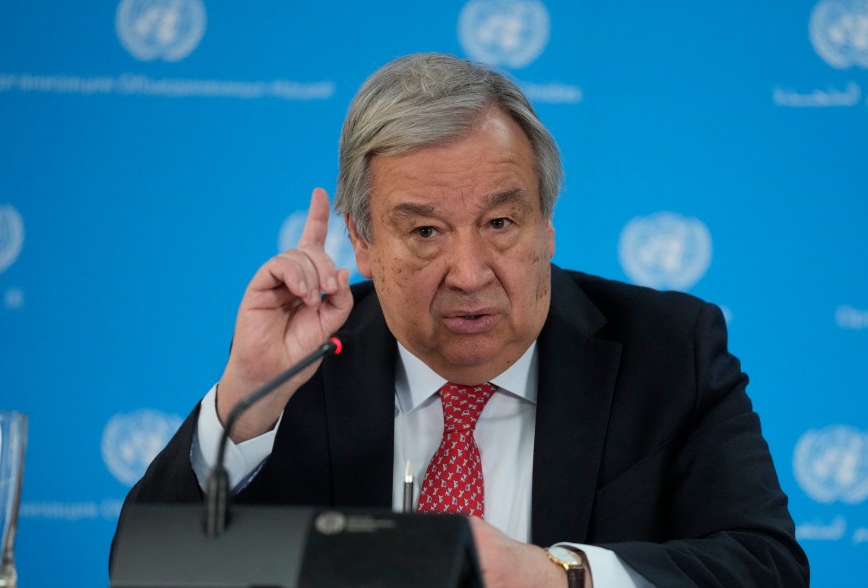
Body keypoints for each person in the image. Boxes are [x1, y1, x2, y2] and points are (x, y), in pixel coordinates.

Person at [115, 53, 809, 587]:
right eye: (424, 233)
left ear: (547, 225)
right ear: (360, 242)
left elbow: (765, 566)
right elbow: (146, 568)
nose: (470, 272)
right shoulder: (304, 362)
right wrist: (248, 398)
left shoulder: (668, 350)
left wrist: (560, 576)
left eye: (501, 222)